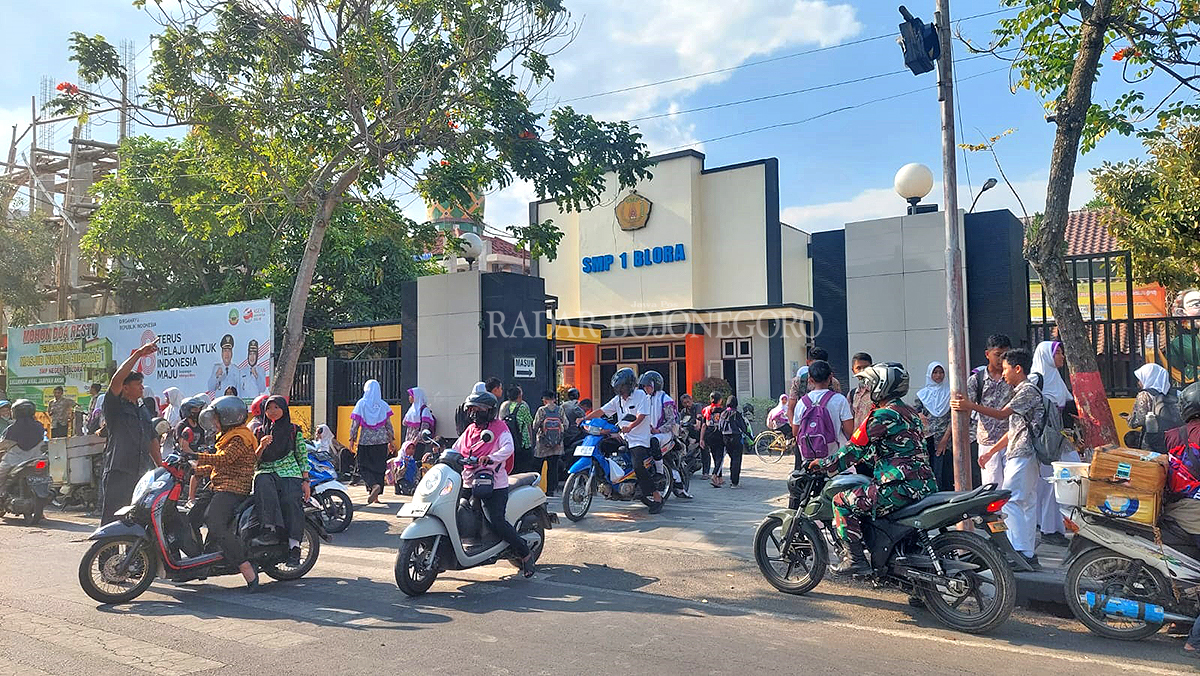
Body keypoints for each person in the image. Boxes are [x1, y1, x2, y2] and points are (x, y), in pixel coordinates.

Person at [809, 362, 937, 576]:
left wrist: (823, 465)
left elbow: (853, 450)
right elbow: (890, 448)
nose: (867, 390)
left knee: (841, 501)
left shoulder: (882, 416)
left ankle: (855, 559)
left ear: (882, 386)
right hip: (924, 485)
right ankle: (917, 587)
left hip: (898, 487)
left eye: (870, 385)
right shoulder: (910, 413)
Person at [952, 347, 1042, 567]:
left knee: (1011, 500)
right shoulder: (1024, 390)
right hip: (1023, 451)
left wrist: (969, 406)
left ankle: (1018, 552)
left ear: (1018, 369)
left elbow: (1002, 414)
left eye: (1005, 369)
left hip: (1023, 453)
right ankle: (1025, 551)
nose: (1003, 374)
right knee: (1025, 502)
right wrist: (992, 451)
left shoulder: (1027, 390)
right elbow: (1014, 429)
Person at [454, 391, 535, 576]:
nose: (474, 413)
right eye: (471, 409)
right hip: (468, 480)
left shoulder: (499, 428)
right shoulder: (470, 430)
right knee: (453, 511)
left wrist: (490, 458)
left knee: (496, 521)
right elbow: (457, 448)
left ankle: (525, 554)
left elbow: (508, 448)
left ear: (490, 411)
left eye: (479, 409)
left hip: (494, 484)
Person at [192, 396, 260, 590]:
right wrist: (190, 470)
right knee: (191, 518)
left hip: (234, 488)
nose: (213, 422)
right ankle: (201, 562)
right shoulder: (226, 436)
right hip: (218, 485)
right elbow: (216, 468)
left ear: (228, 417)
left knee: (214, 522)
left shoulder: (240, 437)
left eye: (216, 418)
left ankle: (245, 567)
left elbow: (224, 459)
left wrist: (195, 456)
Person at [100, 341, 164, 525]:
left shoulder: (142, 410)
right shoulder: (115, 407)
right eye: (138, 384)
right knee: (112, 521)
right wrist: (138, 354)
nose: (142, 388)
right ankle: (107, 554)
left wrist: (160, 466)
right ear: (125, 388)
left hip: (141, 474)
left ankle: (132, 555)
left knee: (136, 521)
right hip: (119, 472)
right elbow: (116, 380)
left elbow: (151, 438)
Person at [586, 368, 661, 512]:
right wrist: (584, 418)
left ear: (629, 385)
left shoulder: (641, 396)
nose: (621, 390)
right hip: (623, 437)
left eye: (622, 387)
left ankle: (657, 496)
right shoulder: (618, 400)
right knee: (603, 447)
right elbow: (601, 411)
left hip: (639, 439)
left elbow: (641, 416)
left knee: (638, 465)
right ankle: (610, 482)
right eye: (618, 388)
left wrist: (631, 427)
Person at [1030, 340, 1079, 548]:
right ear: (1047, 356)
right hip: (1045, 440)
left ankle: (1053, 526)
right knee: (1052, 484)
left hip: (1060, 439)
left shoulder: (1057, 379)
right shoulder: (1035, 379)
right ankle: (1050, 529)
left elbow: (1066, 407)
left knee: (1063, 478)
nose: (1062, 357)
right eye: (1058, 353)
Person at [252, 395, 309, 566]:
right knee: (262, 483)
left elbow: (302, 455)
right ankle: (269, 529)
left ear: (284, 409)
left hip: (289, 471)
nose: (273, 412)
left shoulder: (294, 430)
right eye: (269, 408)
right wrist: (261, 446)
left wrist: (306, 481)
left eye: (277, 408)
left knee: (291, 500)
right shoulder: (259, 431)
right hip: (267, 470)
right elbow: (254, 460)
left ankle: (294, 547)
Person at [959, 334, 1013, 490]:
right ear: (987, 354)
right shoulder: (977, 380)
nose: (1001, 359)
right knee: (992, 489)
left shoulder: (1012, 377)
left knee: (1012, 489)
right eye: (997, 355)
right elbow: (967, 408)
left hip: (1010, 440)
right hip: (987, 441)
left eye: (1005, 355)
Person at [792, 360, 854, 473]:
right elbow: (849, 430)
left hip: (808, 458)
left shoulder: (802, 402)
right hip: (833, 458)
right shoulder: (839, 400)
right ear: (830, 377)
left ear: (810, 379)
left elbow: (795, 432)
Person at [349, 379, 395, 505]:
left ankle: (373, 485)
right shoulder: (383, 405)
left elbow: (355, 424)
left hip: (366, 441)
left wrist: (351, 439)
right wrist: (391, 441)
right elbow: (389, 426)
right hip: (382, 442)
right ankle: (376, 497)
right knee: (379, 468)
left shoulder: (361, 404)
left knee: (363, 466)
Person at [786, 346, 843, 442]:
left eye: (821, 364)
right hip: (804, 437)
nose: (817, 368)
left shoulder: (833, 382)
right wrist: (796, 431)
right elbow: (791, 409)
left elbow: (839, 410)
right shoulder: (799, 381)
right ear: (808, 362)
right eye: (814, 364)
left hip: (828, 437)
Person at [913, 362, 953, 492]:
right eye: (935, 372)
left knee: (945, 472)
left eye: (941, 372)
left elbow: (954, 418)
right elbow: (915, 412)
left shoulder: (950, 393)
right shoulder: (922, 395)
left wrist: (945, 439)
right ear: (929, 374)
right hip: (927, 439)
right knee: (930, 471)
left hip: (946, 440)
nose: (938, 375)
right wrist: (919, 415)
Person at [1128, 363, 1182, 452]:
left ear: (1148, 377)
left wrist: (1129, 419)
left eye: (1140, 379)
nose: (1139, 383)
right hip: (1174, 438)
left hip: (1153, 441)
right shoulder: (1176, 393)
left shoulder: (1144, 395)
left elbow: (1138, 420)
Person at [0, 400, 47, 492]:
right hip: (37, 459)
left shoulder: (12, 428)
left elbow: (3, 445)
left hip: (14, 461)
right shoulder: (39, 426)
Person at [532, 389, 566, 497]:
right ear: (554, 399)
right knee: (553, 467)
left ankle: (535, 489)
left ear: (544, 400)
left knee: (538, 467)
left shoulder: (541, 410)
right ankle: (550, 490)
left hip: (542, 445)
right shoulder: (560, 410)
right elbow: (566, 424)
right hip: (556, 446)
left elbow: (535, 425)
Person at [499, 385, 534, 473]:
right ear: (519, 396)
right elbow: (528, 423)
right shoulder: (523, 406)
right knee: (523, 469)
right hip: (522, 442)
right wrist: (531, 440)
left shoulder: (504, 406)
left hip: (508, 440)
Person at [718, 395, 750, 488]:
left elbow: (720, 427)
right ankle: (734, 481)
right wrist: (748, 435)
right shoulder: (737, 413)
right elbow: (743, 426)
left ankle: (732, 480)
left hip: (725, 438)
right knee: (736, 460)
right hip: (736, 437)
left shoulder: (723, 413)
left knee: (732, 458)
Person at [700, 391, 725, 485]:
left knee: (715, 456)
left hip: (709, 435)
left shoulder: (706, 409)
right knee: (720, 457)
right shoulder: (722, 411)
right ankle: (715, 475)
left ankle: (720, 478)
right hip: (719, 435)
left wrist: (701, 439)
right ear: (720, 400)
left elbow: (703, 425)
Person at [847, 352, 875, 429]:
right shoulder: (852, 394)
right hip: (858, 439)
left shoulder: (878, 392)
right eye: (858, 368)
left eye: (866, 367)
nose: (862, 371)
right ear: (853, 370)